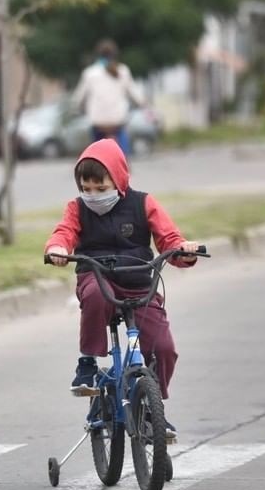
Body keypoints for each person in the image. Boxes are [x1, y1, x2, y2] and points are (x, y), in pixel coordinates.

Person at [45, 138, 202, 438]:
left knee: (163, 348)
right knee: (94, 295)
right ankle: (87, 363)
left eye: (101, 188)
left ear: (119, 180)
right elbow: (64, 233)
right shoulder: (77, 208)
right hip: (97, 277)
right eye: (86, 189)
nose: (93, 195)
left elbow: (169, 240)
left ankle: (152, 410)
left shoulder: (143, 203)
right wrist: (57, 249)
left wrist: (184, 250)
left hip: (139, 283)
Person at [71, 39, 144, 157]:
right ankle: (123, 158)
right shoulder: (123, 71)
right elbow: (135, 93)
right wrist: (142, 104)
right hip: (118, 120)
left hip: (98, 122)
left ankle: (97, 159)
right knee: (122, 148)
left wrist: (76, 108)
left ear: (98, 55)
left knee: (97, 152)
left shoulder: (90, 73)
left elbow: (79, 97)